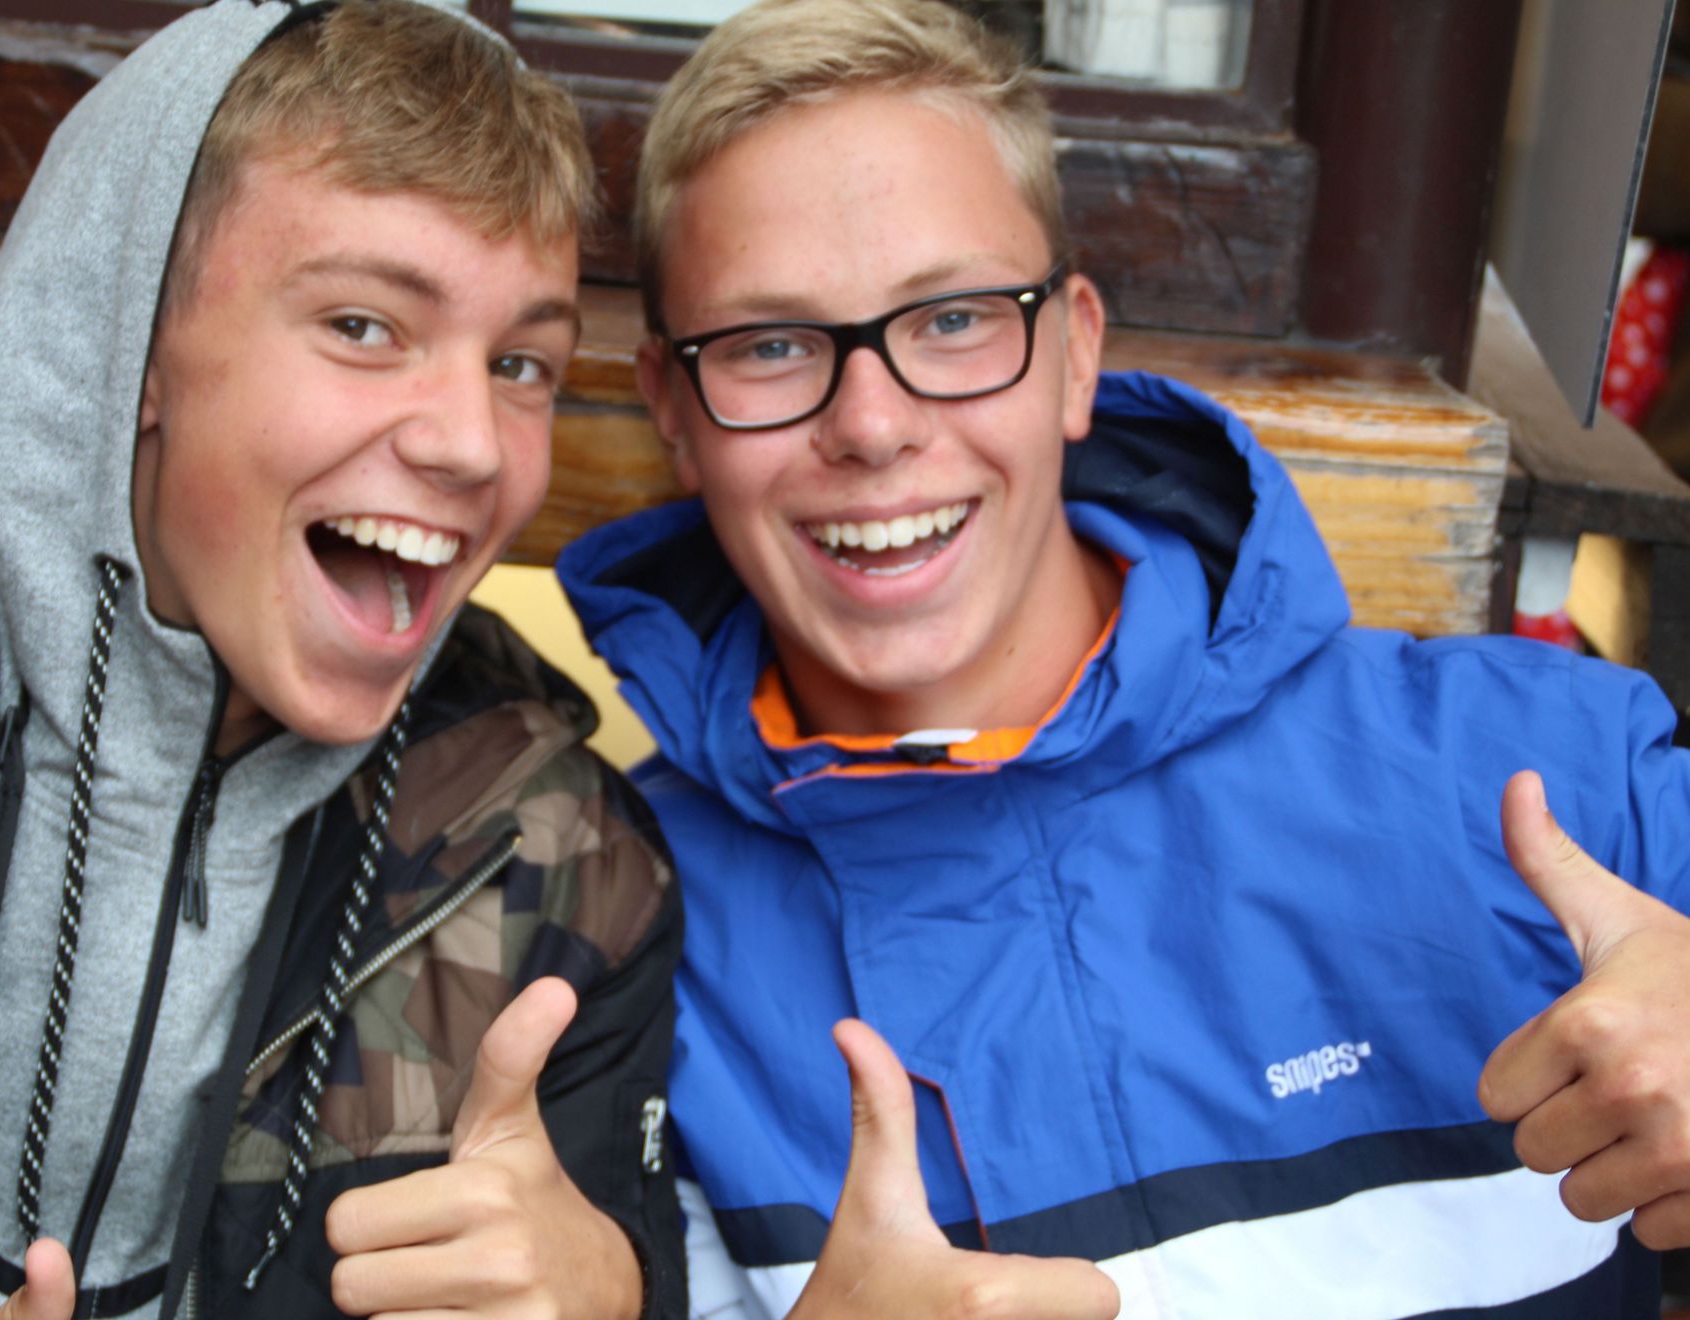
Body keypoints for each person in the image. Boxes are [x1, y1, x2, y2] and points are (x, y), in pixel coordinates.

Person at [556, 0, 1690, 1314]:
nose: (871, 424)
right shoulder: (613, 930)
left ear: (1076, 351)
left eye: (954, 320)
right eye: (769, 345)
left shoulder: (1554, 781)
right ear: (672, 409)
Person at [0, 3, 683, 1318]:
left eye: (521, 363)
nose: (471, 443)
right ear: (133, 346)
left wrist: (618, 1295)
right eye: (363, 326)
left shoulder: (562, 869)